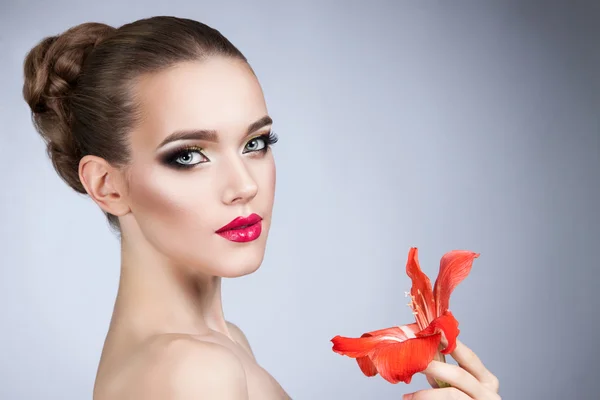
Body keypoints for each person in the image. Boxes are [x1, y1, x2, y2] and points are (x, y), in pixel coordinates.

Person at [22, 16, 500, 400]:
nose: (244, 185)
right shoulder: (191, 372)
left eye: (255, 142)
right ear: (107, 185)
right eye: (189, 155)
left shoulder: (224, 342)